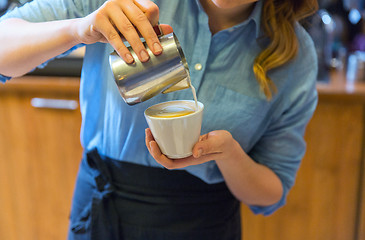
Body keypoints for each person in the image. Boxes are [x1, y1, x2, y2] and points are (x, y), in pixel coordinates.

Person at [0, 0, 319, 239]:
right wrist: (80, 28)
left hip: (203, 223)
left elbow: (272, 190)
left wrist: (230, 156)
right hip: (104, 210)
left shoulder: (294, 55)